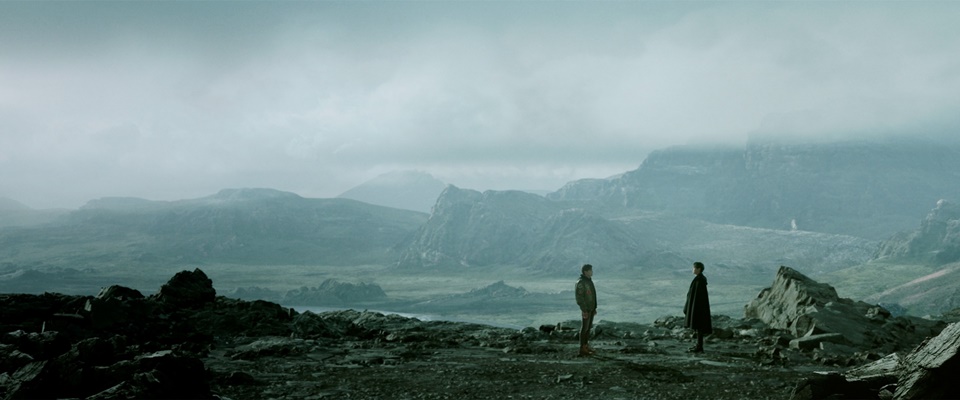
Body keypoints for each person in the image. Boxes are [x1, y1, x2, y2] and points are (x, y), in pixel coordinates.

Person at [684, 261, 712, 353]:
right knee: (698, 327)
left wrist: (693, 309)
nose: (693, 269)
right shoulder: (699, 279)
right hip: (697, 307)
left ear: (699, 269)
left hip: (698, 308)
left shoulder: (700, 280)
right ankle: (698, 346)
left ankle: (699, 347)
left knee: (699, 327)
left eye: (694, 268)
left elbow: (698, 297)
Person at [575, 263, 597, 357]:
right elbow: (580, 298)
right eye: (590, 270)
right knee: (584, 329)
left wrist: (594, 307)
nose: (592, 272)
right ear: (585, 272)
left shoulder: (588, 281)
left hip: (591, 308)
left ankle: (586, 346)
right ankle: (582, 348)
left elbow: (592, 296)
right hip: (586, 309)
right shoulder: (581, 282)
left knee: (588, 329)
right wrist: (584, 310)